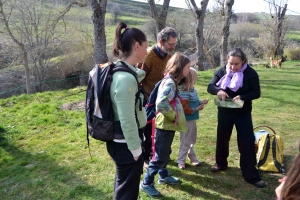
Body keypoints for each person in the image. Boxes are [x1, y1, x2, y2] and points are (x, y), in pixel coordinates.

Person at [207, 48, 267, 188]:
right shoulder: (222, 71)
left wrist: (243, 97)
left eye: (236, 64)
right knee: (222, 137)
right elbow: (210, 87)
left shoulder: (251, 73)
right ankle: (221, 163)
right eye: (230, 63)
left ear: (243, 62)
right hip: (224, 112)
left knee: (246, 141)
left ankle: (250, 174)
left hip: (243, 112)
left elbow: (256, 92)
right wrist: (219, 90)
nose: (233, 67)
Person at [106, 21, 148, 200]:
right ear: (137, 46)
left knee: (124, 185)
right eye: (146, 47)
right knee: (127, 192)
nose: (147, 52)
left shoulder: (120, 70)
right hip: (125, 144)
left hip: (122, 142)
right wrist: (136, 149)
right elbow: (127, 119)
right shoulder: (125, 79)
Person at [140, 52, 190, 198]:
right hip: (164, 125)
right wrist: (174, 116)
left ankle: (163, 175)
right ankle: (146, 183)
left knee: (164, 152)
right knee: (160, 156)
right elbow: (161, 104)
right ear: (180, 68)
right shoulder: (169, 83)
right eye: (187, 67)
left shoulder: (172, 81)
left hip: (168, 125)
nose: (188, 70)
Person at [138, 27, 177, 166]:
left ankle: (161, 153)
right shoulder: (149, 55)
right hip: (148, 98)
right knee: (147, 129)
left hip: (163, 98)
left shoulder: (168, 56)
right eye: (170, 44)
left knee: (162, 127)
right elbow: (140, 78)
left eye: (174, 44)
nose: (172, 47)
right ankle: (146, 156)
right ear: (161, 41)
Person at [177, 67, 209, 169]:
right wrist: (196, 109)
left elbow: (193, 101)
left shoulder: (192, 89)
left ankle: (192, 156)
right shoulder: (185, 91)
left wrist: (200, 102)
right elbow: (184, 108)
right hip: (186, 119)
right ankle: (181, 160)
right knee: (185, 140)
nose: (196, 79)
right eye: (195, 77)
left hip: (192, 119)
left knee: (191, 139)